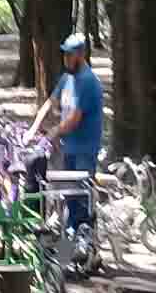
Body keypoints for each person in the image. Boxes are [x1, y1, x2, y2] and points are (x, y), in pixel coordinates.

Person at [25, 32, 103, 228]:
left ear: (81, 54)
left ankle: (87, 245)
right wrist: (33, 128)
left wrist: (53, 132)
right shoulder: (67, 79)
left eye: (70, 55)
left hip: (84, 150)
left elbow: (74, 120)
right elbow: (50, 103)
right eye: (65, 54)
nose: (66, 59)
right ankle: (73, 242)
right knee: (69, 198)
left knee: (81, 200)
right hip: (69, 149)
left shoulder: (87, 81)